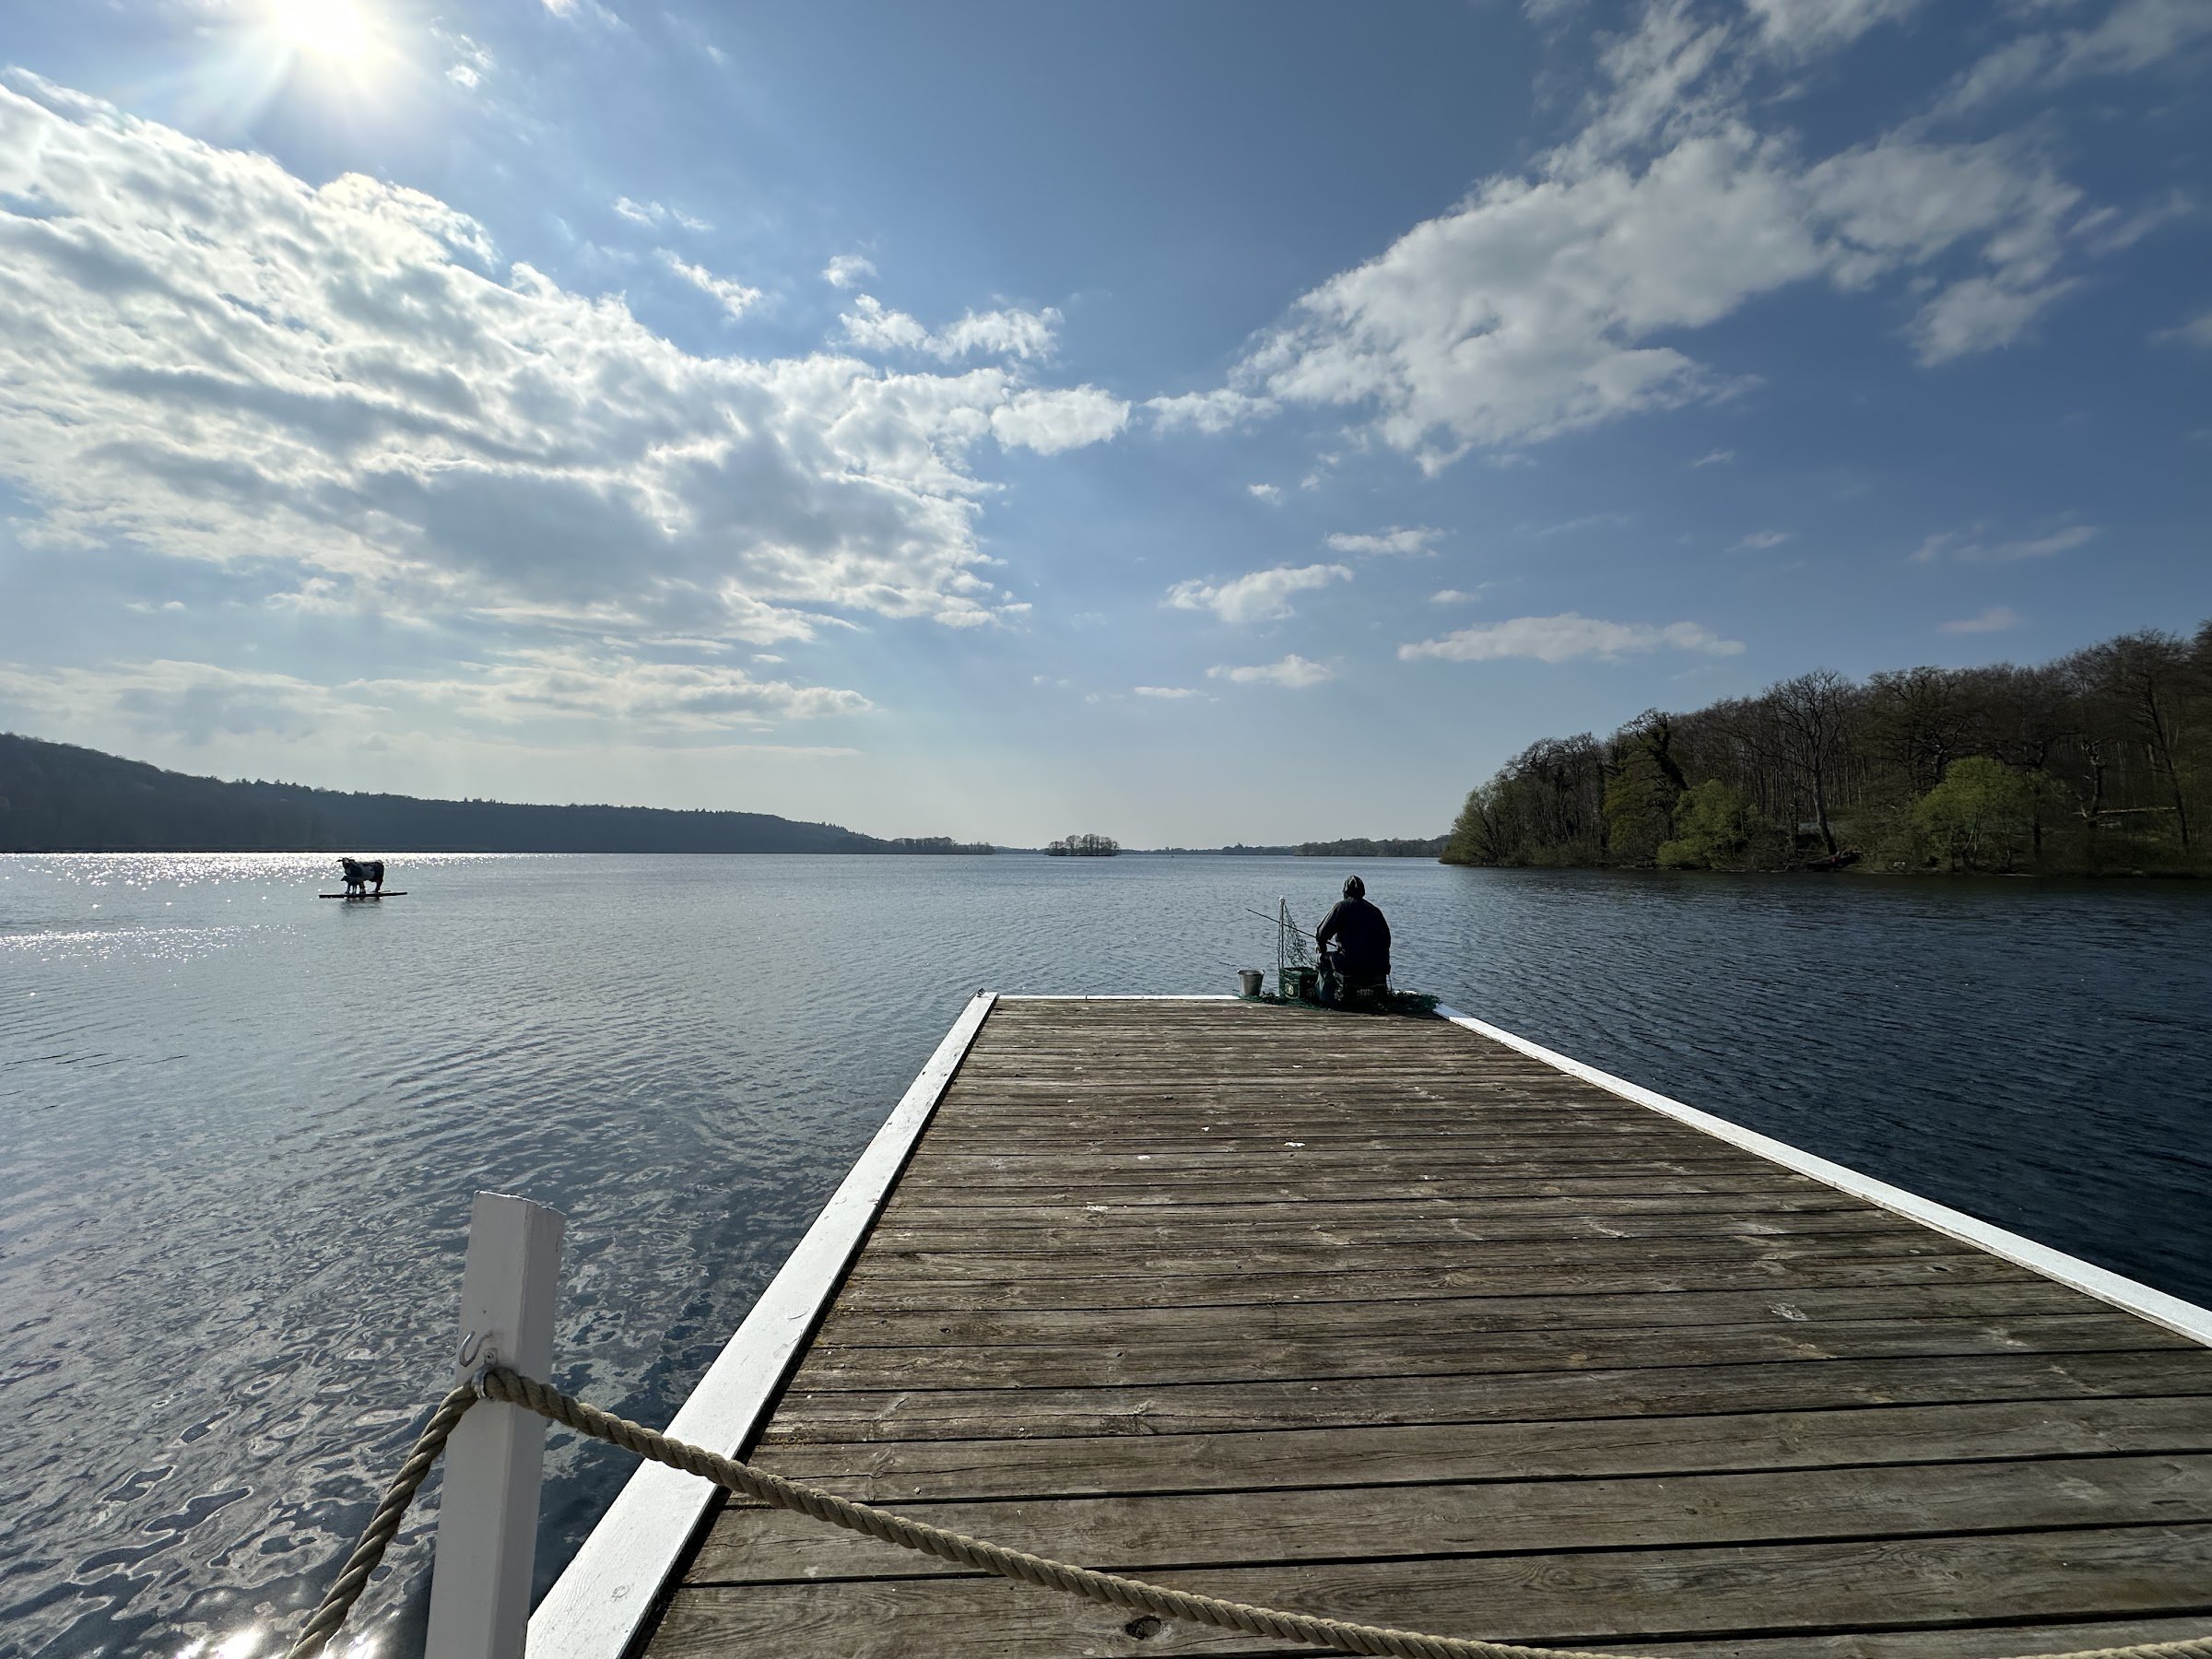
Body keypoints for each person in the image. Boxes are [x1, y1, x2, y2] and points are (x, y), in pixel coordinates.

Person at [1314, 876, 1390, 1007]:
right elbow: (1387, 941)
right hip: (1379, 967)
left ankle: (1327, 998)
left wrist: (1322, 948)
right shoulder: (1375, 911)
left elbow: (1321, 933)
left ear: (1345, 892)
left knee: (1322, 958)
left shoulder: (1341, 907)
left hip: (1349, 964)